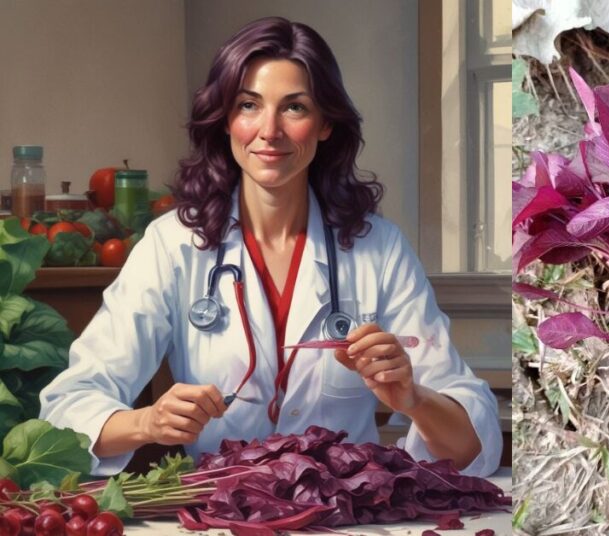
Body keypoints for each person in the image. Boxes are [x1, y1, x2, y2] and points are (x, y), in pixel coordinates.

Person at [40, 16, 500, 478]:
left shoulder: (379, 249)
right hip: (219, 513)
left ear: (325, 124)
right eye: (248, 105)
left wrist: (413, 399)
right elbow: (67, 407)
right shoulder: (173, 245)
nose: (269, 130)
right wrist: (147, 422)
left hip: (348, 516)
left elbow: (472, 445)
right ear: (224, 120)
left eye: (294, 108)